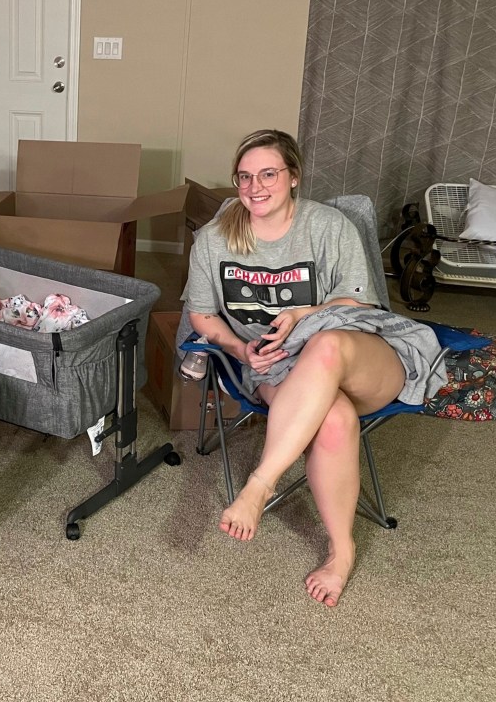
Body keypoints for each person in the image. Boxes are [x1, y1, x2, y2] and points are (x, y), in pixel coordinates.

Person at [184, 129, 442, 608]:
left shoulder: (328, 226)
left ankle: (260, 484)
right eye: (244, 177)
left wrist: (303, 315)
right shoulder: (215, 240)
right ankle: (341, 552)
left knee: (324, 344)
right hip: (278, 368)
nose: (255, 187)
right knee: (336, 420)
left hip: (360, 354)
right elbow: (202, 316)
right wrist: (242, 353)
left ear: (294, 176)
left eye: (268, 174)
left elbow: (360, 303)